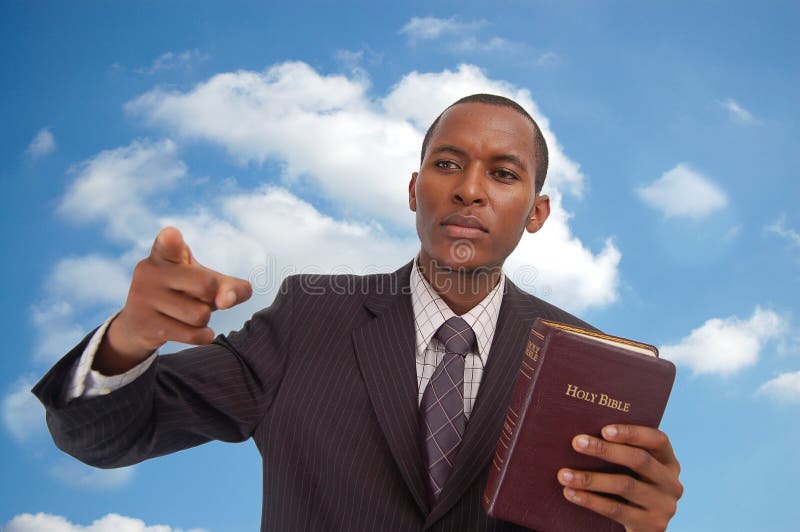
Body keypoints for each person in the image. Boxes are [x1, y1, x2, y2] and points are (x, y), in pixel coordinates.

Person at [34, 94, 683, 531]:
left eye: (504, 174)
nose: (469, 188)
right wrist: (128, 340)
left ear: (537, 213)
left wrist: (637, 524)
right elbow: (106, 434)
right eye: (447, 164)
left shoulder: (588, 362)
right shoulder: (306, 319)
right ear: (413, 189)